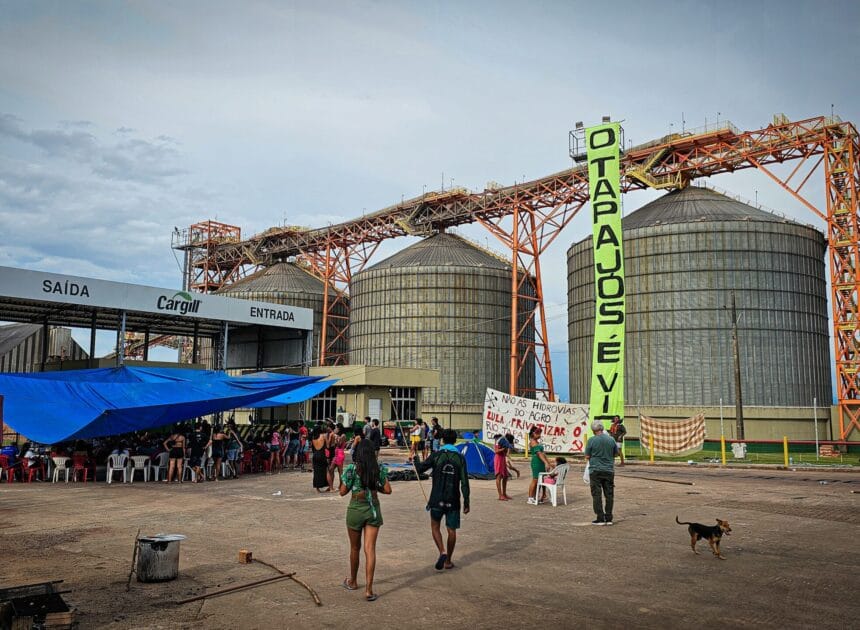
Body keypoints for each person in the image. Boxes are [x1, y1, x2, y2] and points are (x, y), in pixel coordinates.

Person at [340, 439, 391, 601]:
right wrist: (375, 487)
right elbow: (388, 490)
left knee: (355, 548)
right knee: (370, 550)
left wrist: (345, 480)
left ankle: (353, 581)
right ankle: (369, 590)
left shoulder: (351, 469)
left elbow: (342, 492)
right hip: (373, 510)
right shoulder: (379, 469)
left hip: (355, 509)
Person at [413, 429, 470, 571]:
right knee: (452, 530)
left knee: (435, 526)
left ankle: (442, 551)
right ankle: (448, 560)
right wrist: (466, 501)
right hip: (453, 499)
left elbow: (420, 469)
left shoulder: (436, 455)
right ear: (455, 441)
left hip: (436, 498)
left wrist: (414, 457)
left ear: (443, 440)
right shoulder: (460, 458)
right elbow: (464, 482)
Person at [585, 420, 619, 525]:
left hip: (595, 470)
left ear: (593, 430)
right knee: (609, 494)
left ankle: (600, 517)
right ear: (602, 428)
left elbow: (587, 456)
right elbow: (616, 454)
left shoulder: (591, 440)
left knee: (597, 494)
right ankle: (609, 518)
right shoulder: (611, 440)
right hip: (609, 470)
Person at [527, 426, 552, 504]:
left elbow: (543, 454)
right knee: (535, 479)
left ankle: (535, 496)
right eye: (538, 433)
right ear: (533, 434)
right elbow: (539, 453)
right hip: (536, 462)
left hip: (540, 462)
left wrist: (548, 463)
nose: (539, 435)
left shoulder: (537, 442)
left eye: (540, 433)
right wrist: (546, 462)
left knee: (540, 480)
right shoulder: (533, 442)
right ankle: (530, 498)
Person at [311, 426, 331, 492]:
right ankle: (331, 487)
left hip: (315, 455)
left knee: (316, 472)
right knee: (327, 471)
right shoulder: (323, 436)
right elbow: (328, 446)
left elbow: (313, 449)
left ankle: (317, 489)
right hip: (322, 455)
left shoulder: (313, 438)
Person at [493, 434, 512, 501]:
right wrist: (503, 449)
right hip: (498, 459)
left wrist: (506, 450)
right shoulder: (498, 442)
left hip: (502, 458)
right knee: (499, 477)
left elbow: (506, 452)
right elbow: (496, 451)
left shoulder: (504, 442)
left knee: (505, 476)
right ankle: (500, 495)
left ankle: (504, 493)